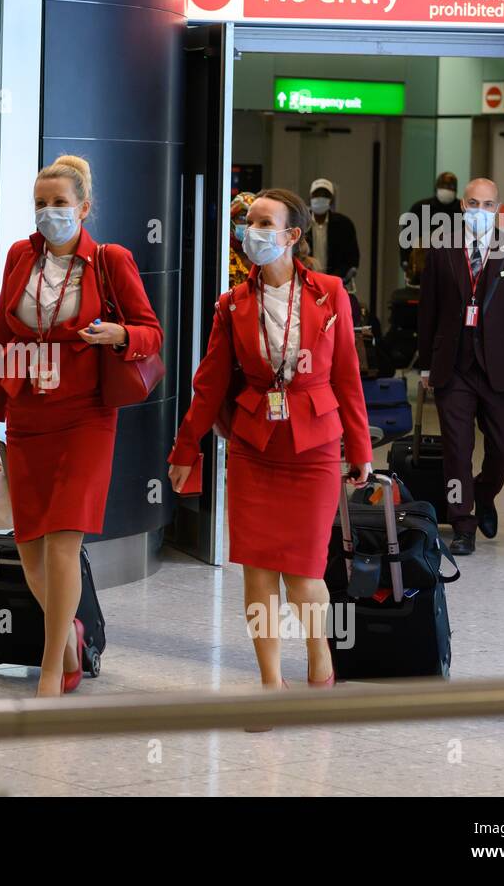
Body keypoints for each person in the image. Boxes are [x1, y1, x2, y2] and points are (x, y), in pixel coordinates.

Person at [0, 155, 163, 698]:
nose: (49, 213)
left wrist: (119, 335)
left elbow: (151, 332)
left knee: (61, 543)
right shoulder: (19, 257)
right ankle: (70, 637)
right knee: (28, 547)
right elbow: (0, 340)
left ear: (84, 206)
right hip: (29, 413)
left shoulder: (108, 260)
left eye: (59, 203)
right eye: (41, 204)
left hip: (85, 417)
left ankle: (52, 668)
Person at [167, 188, 371, 696]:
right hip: (255, 446)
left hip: (314, 449)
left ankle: (320, 658)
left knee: (303, 574)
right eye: (247, 223)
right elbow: (209, 383)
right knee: (257, 572)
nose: (250, 232)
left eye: (262, 223)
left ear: (292, 235)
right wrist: (185, 447)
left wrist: (361, 450)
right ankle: (269, 683)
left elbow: (347, 376)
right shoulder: (233, 303)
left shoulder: (329, 294)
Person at [417, 177, 504, 555]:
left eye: (488, 205)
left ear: (498, 209)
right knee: (457, 448)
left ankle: (483, 493)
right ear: (462, 207)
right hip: (453, 367)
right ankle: (463, 521)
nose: (481, 211)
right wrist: (425, 366)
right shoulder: (442, 250)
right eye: (474, 203)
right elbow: (428, 313)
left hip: (501, 368)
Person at [399, 171, 463, 281]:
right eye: (443, 186)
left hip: (453, 270)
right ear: (436, 188)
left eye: (450, 187)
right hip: (422, 267)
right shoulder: (420, 208)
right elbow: (407, 236)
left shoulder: (463, 211)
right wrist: (405, 261)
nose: (446, 190)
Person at [304, 178, 359, 279]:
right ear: (310, 197)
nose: (320, 198)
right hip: (306, 279)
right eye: (317, 194)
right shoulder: (301, 223)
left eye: (325, 195)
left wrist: (332, 279)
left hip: (335, 280)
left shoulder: (344, 225)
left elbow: (351, 260)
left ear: (331, 199)